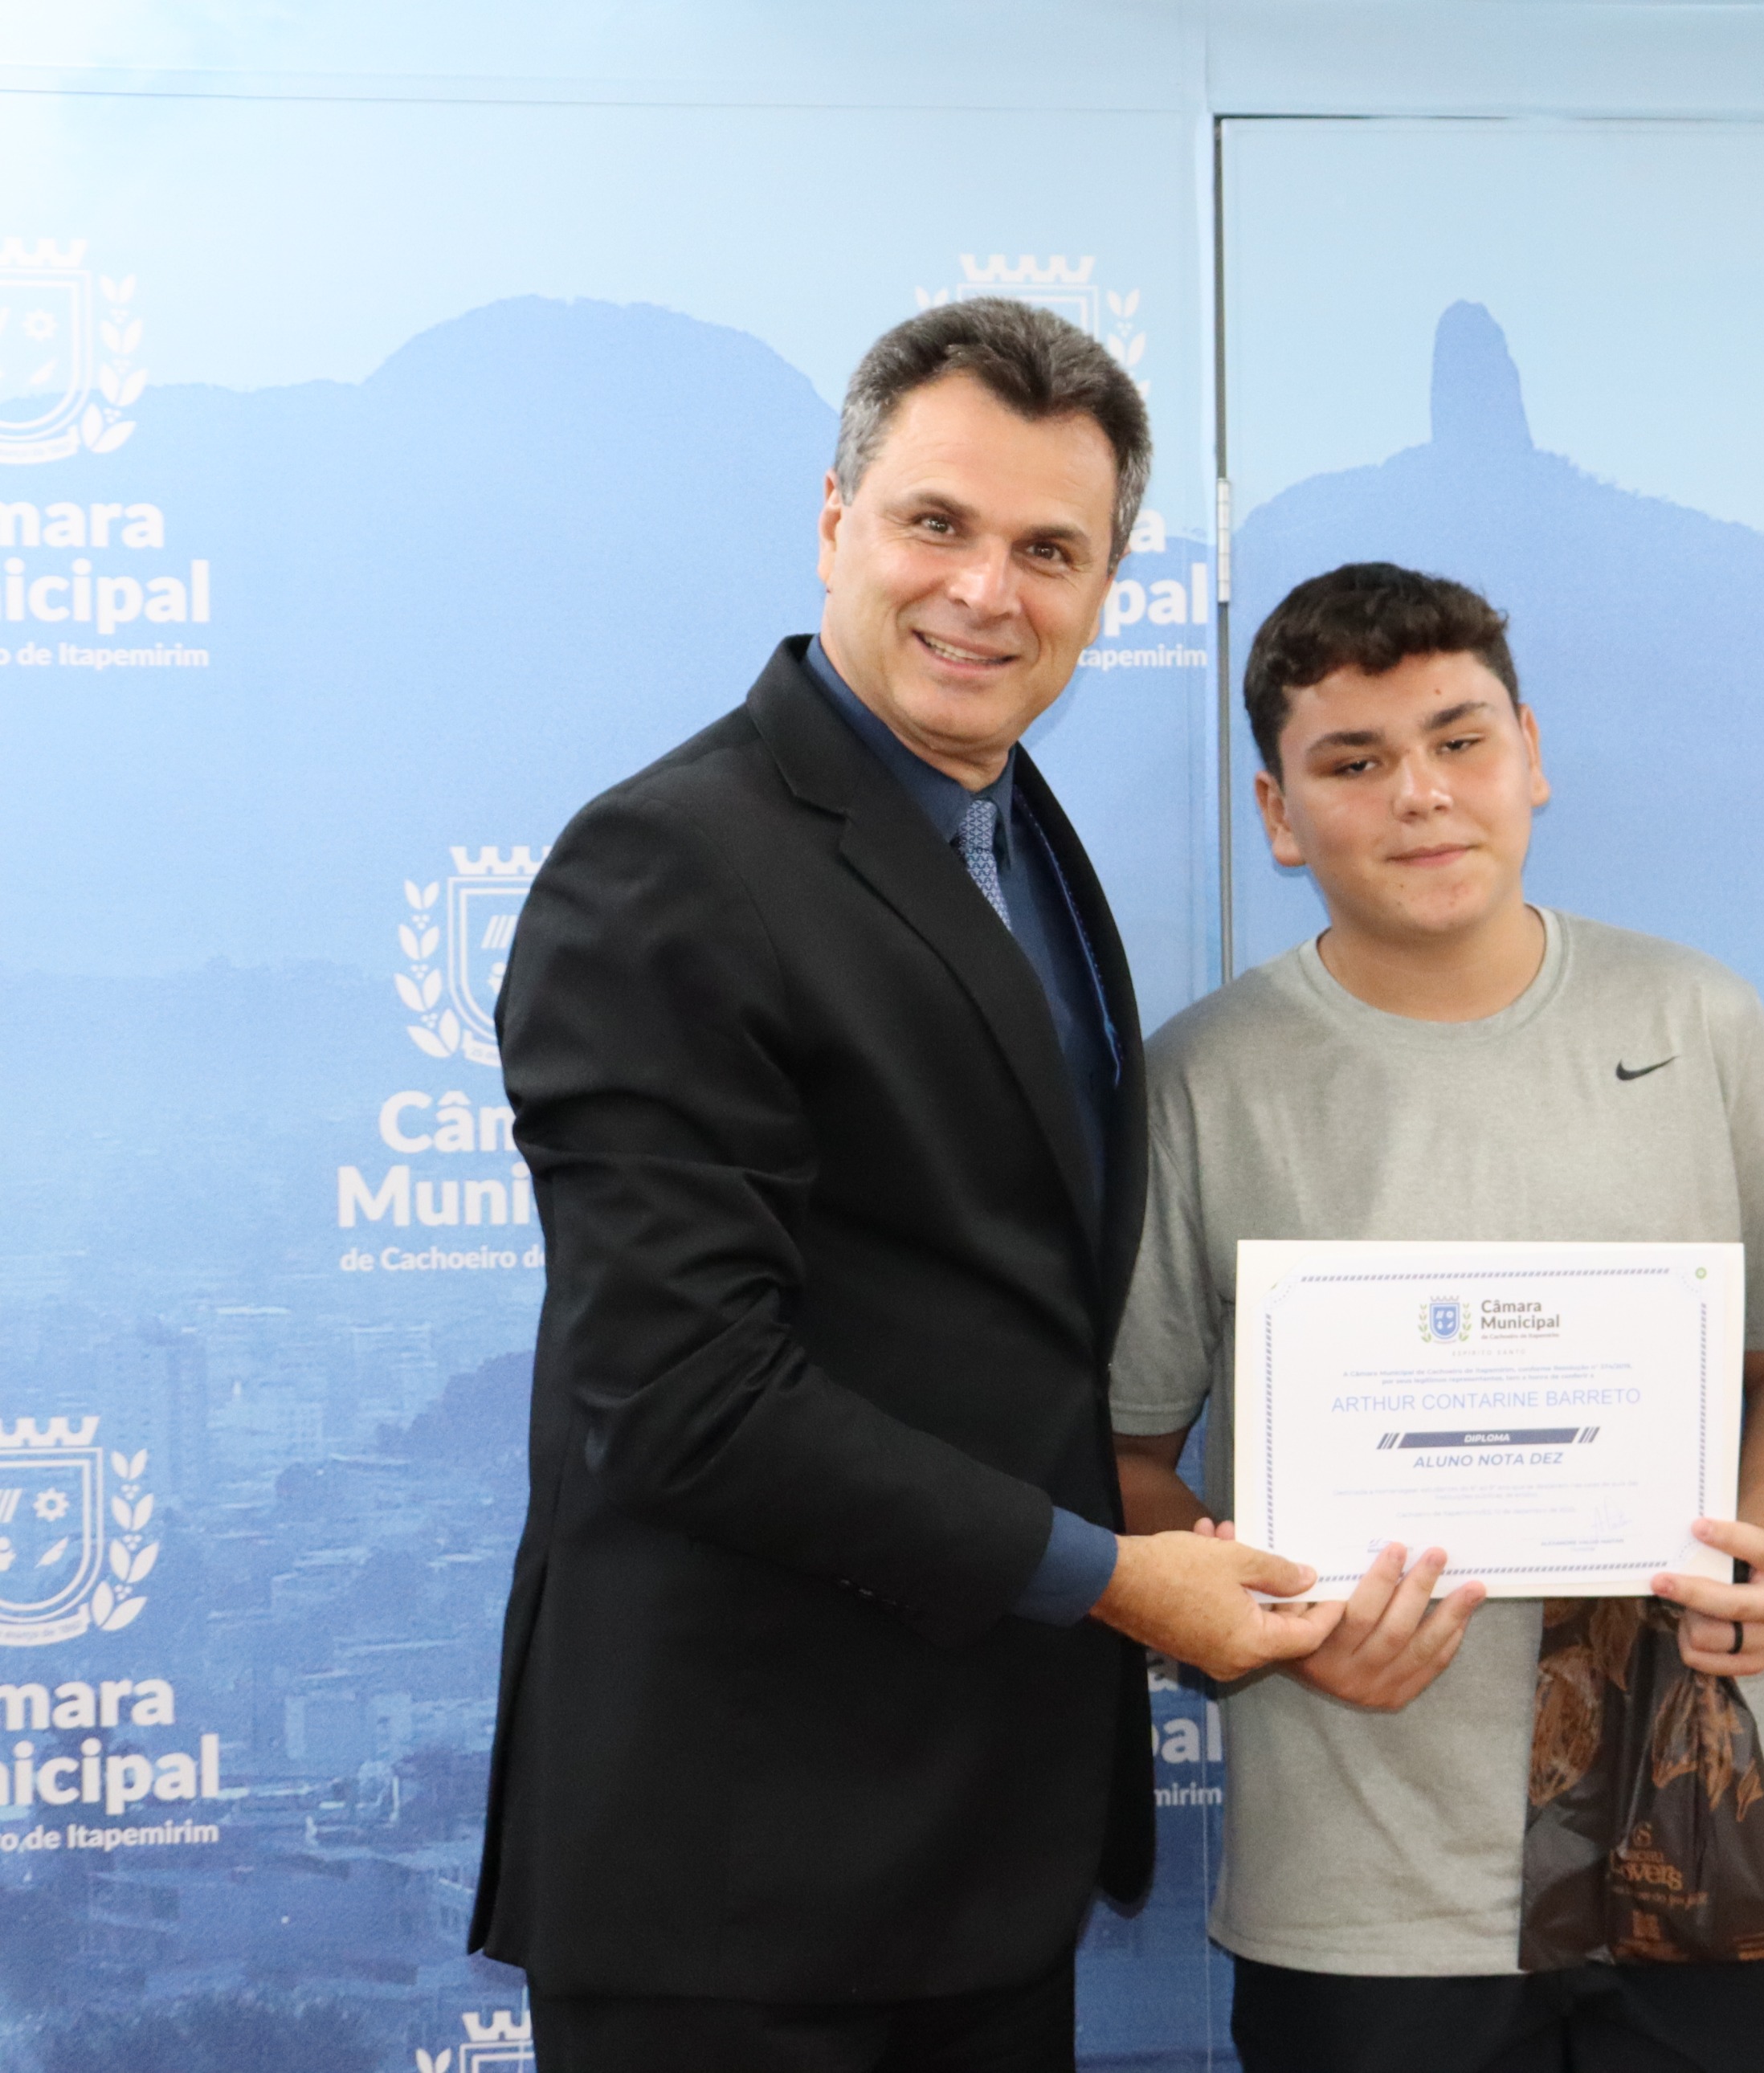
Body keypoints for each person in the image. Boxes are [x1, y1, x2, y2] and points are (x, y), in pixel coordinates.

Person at [474, 300, 1342, 2073]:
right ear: (834, 523)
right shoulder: (668, 863)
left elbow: (991, 1314)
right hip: (738, 1879)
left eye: (1050, 549)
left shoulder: (1014, 829)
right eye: (936, 523)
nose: (985, 592)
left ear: (1108, 585)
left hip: (977, 1857)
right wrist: (1115, 1579)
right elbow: (684, 1390)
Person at [1109, 563, 1764, 2073]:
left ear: (1530, 753)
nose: (1421, 794)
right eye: (1354, 761)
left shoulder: (1697, 1018)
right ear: (1277, 813)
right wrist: (1277, 1631)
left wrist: (1755, 1548)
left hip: (1707, 1851)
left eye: (1459, 741)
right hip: (1363, 1892)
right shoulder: (1203, 1076)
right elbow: (1125, 1456)